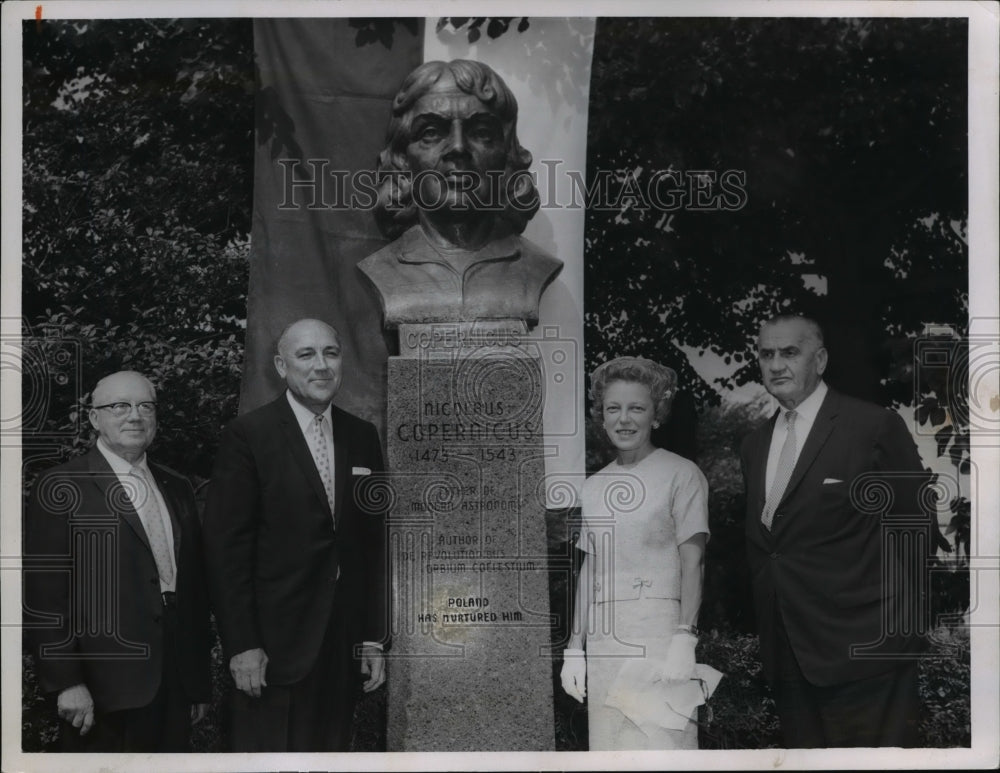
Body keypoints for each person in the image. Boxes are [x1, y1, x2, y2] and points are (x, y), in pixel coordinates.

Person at [740, 314, 930, 747]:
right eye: (766, 354)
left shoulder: (873, 426)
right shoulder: (753, 445)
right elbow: (769, 548)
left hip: (868, 657)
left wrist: (894, 631)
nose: (776, 364)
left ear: (820, 359)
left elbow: (916, 529)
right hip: (788, 658)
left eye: (790, 352)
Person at [202, 318, 388, 752]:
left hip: (340, 653)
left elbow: (369, 546)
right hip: (271, 654)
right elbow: (225, 549)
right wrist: (243, 644)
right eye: (306, 355)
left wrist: (371, 637)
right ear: (282, 366)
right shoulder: (249, 436)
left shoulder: (362, 436)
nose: (321, 365)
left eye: (331, 353)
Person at [23, 371, 211, 752]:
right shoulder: (62, 486)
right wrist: (66, 682)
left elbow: (192, 590)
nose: (135, 416)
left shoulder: (177, 487)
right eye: (120, 406)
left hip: (174, 685)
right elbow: (45, 596)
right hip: (100, 691)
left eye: (146, 406)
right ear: (95, 418)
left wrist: (196, 681)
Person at [561, 357, 710, 750]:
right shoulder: (593, 487)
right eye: (614, 409)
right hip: (605, 641)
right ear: (602, 416)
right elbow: (589, 571)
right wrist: (574, 649)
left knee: (662, 746)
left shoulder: (683, 475)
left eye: (636, 408)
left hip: (660, 637)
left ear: (656, 414)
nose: (624, 420)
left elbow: (693, 562)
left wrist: (685, 637)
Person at [358, 59, 563, 328]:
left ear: (506, 156)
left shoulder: (535, 266)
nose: (457, 147)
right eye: (431, 133)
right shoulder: (380, 268)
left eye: (481, 133)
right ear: (402, 159)